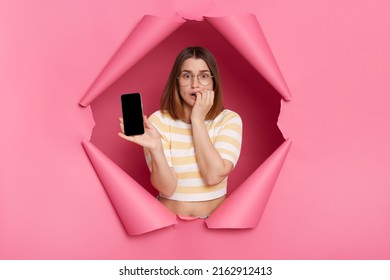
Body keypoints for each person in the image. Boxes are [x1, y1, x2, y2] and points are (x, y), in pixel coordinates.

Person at [119, 46, 242, 218]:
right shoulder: (158, 121)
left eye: (204, 76)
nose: (195, 84)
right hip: (168, 224)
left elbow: (213, 176)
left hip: (215, 225)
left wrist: (197, 120)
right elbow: (167, 189)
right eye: (187, 76)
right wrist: (156, 149)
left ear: (214, 82)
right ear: (176, 81)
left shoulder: (229, 120)